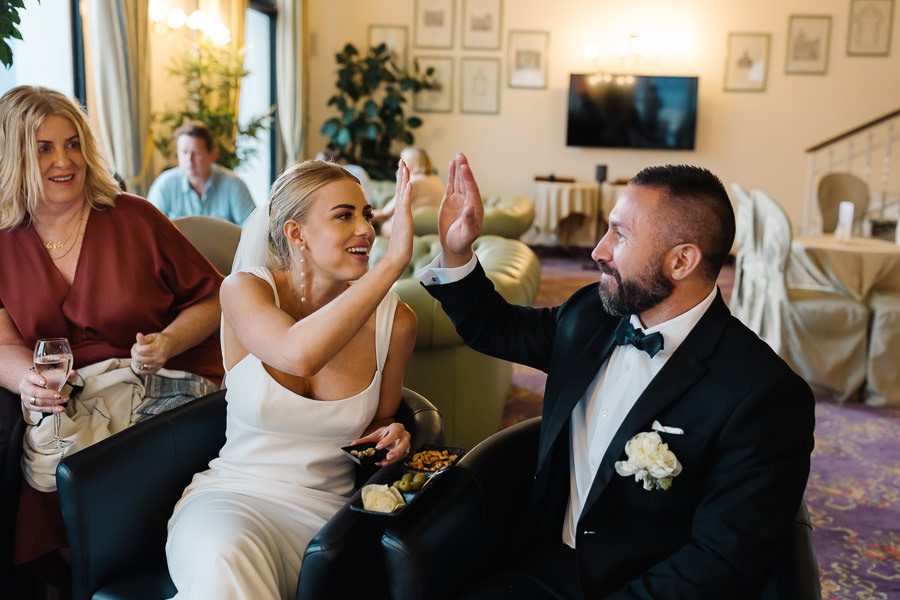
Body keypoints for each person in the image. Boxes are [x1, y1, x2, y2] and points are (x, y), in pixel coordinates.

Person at [418, 154, 815, 599]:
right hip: (543, 567)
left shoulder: (764, 395)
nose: (598, 250)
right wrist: (456, 251)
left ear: (682, 261)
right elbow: (496, 327)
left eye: (620, 235)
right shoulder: (593, 313)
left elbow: (719, 561)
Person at [0, 85, 225, 588]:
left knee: (106, 480)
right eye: (44, 147)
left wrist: (166, 341)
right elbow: (2, 344)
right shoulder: (2, 240)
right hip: (67, 392)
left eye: (73, 143)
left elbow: (217, 300)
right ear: (14, 156)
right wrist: (27, 381)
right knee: (54, 450)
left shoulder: (134, 216)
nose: (66, 160)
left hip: (161, 377)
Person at [165, 159, 418, 599]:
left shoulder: (395, 323)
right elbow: (298, 354)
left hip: (324, 521)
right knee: (224, 557)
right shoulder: (245, 289)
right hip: (230, 498)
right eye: (344, 215)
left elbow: (375, 427)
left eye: (368, 215)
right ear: (296, 233)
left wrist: (393, 435)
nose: (365, 229)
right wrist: (393, 262)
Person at [147, 120, 256, 225]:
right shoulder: (164, 185)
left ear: (213, 155)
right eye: (184, 152)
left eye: (196, 153)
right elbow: (149, 228)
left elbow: (253, 231)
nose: (189, 160)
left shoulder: (234, 186)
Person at [373, 147, 444, 235]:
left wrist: (364, 215)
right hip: (435, 225)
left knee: (386, 227)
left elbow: (386, 212)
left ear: (412, 164)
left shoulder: (412, 181)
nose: (398, 164)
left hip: (414, 225)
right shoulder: (436, 179)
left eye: (402, 160)